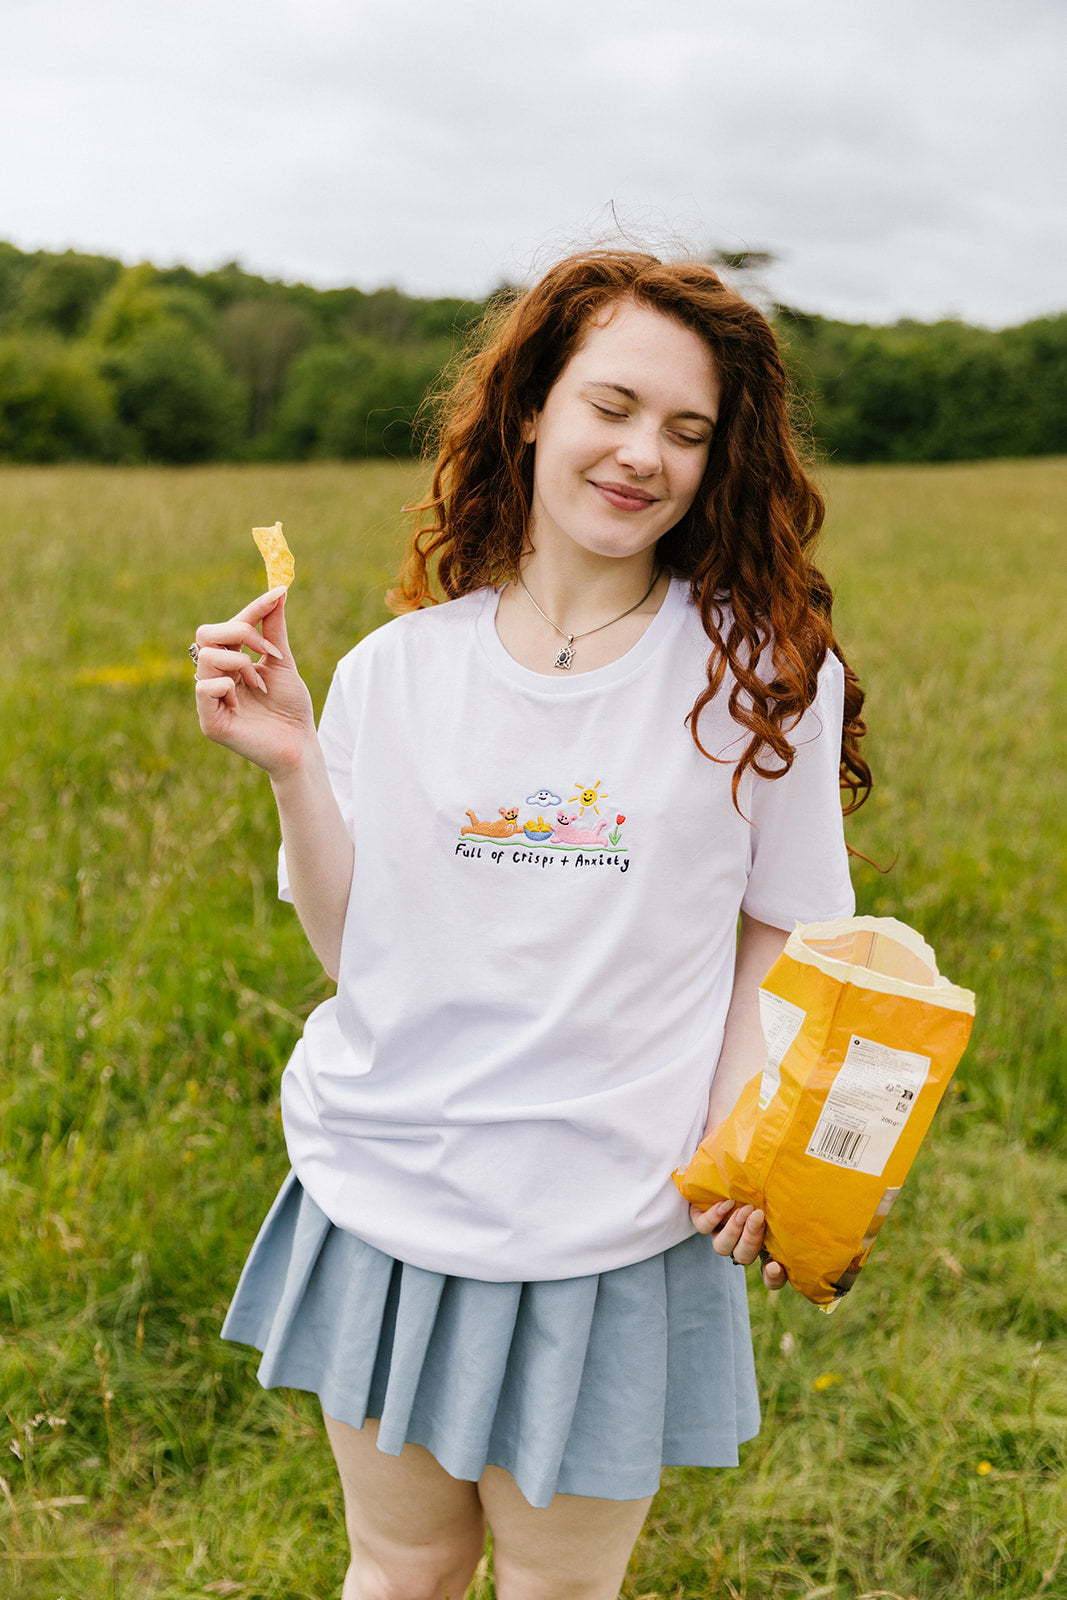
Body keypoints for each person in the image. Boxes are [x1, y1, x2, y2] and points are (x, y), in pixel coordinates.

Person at [192, 247, 870, 1600]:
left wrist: (740, 1126)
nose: (643, 456)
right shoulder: (399, 669)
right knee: (399, 1568)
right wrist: (291, 769)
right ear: (531, 411)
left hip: (607, 1224)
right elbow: (354, 954)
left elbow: (788, 932)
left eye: (689, 431)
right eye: (611, 406)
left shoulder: (765, 676)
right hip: (389, 1196)